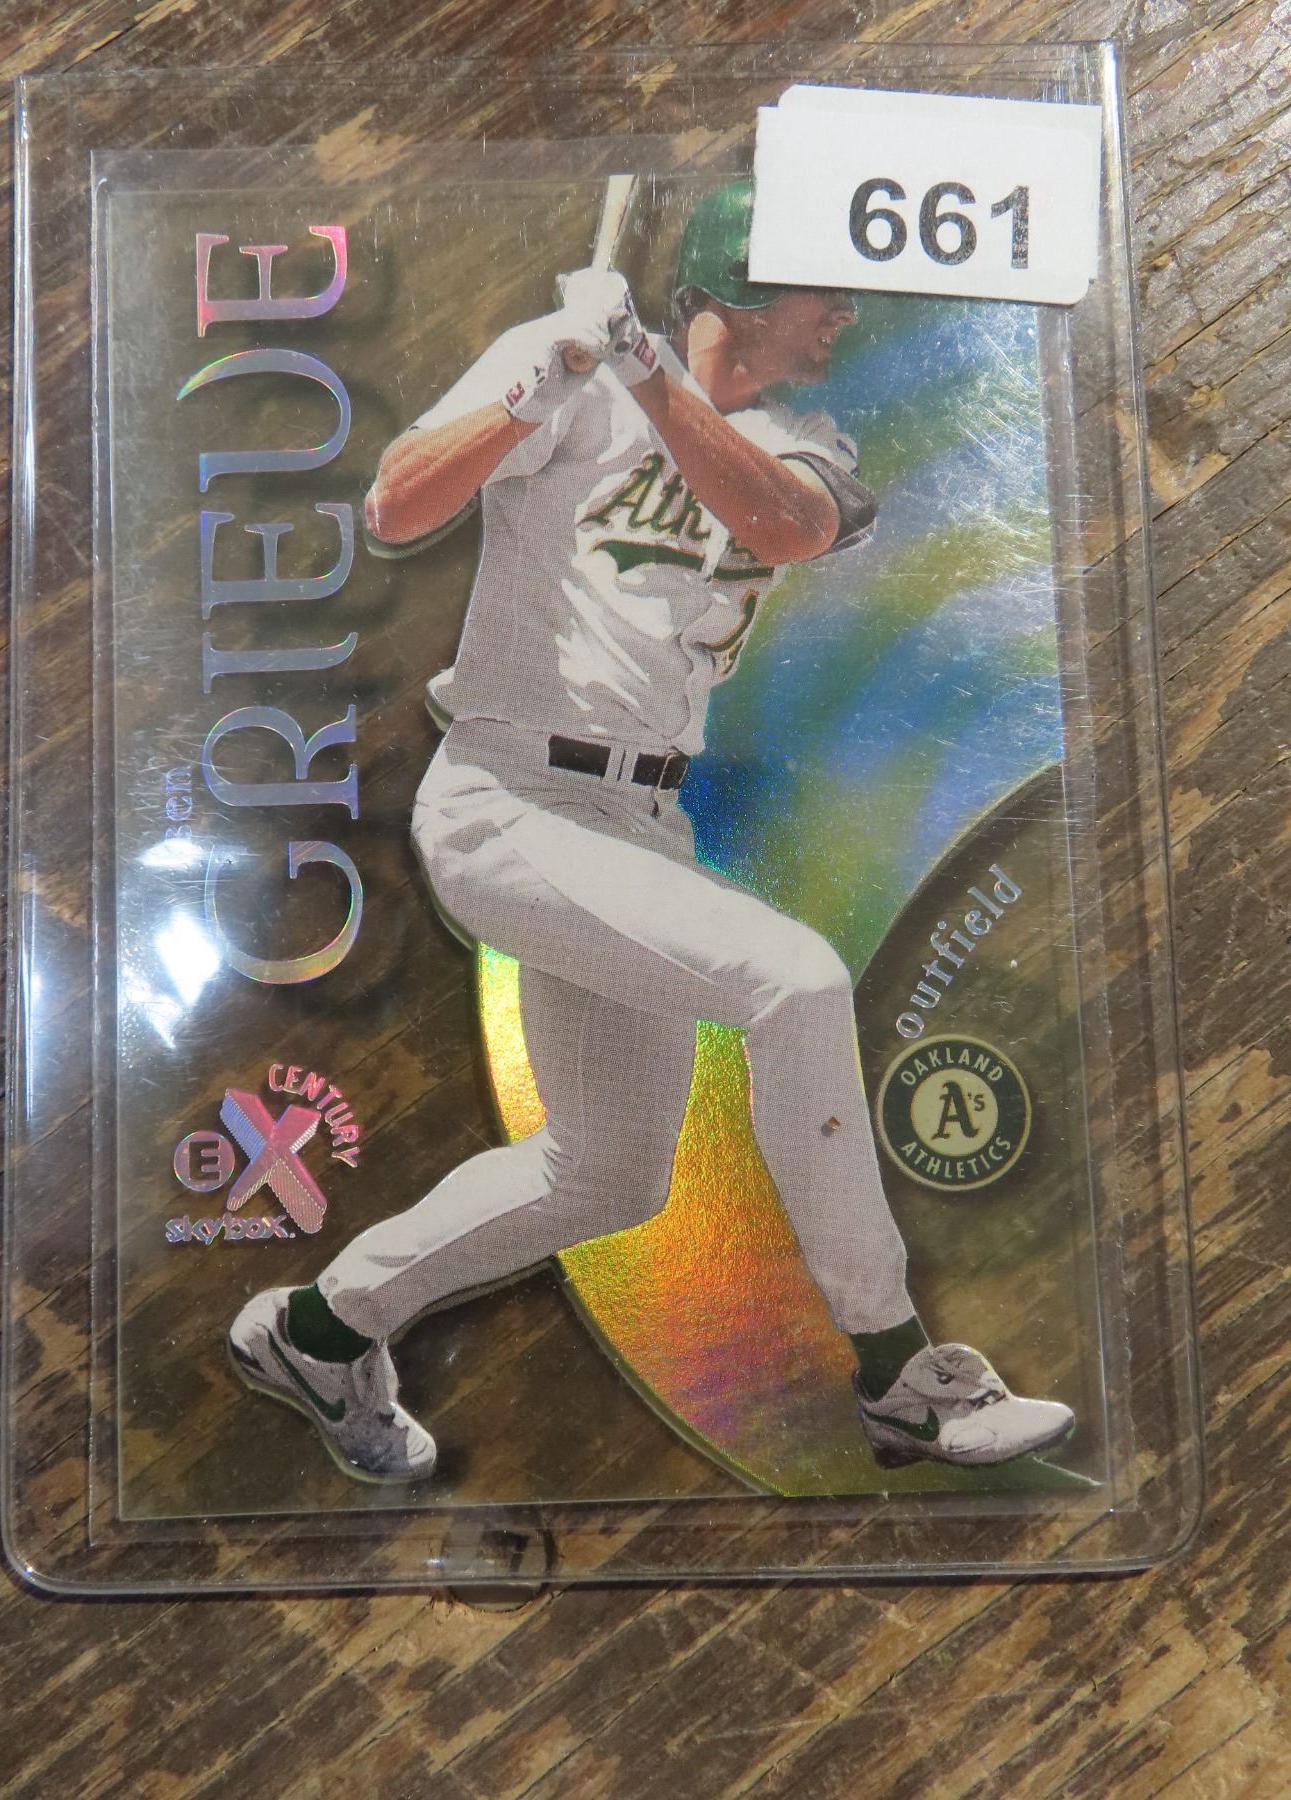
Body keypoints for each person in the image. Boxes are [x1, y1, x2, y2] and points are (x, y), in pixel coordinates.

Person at [228, 181, 1074, 1484]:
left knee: (609, 1175)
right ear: (741, 287)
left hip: (641, 816)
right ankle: (900, 1374)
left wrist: (642, 371)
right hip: (509, 797)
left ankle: (320, 1330)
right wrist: (541, 386)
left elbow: (783, 523)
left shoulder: (805, 436)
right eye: (821, 288)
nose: (844, 311)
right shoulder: (557, 365)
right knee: (795, 982)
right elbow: (395, 509)